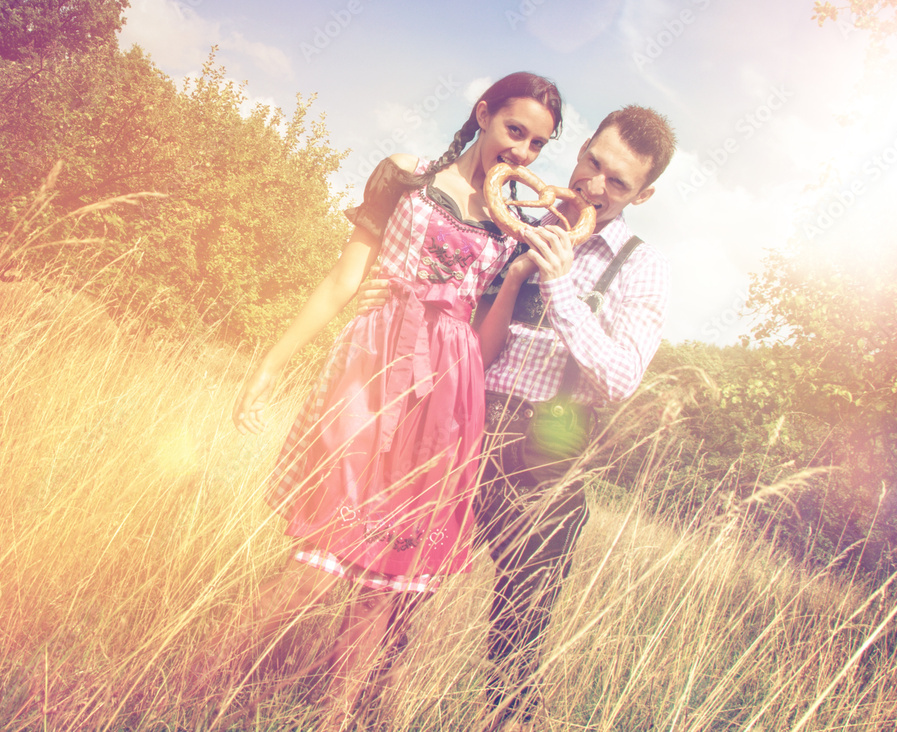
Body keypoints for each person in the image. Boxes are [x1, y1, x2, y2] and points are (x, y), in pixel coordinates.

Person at [231, 72, 563, 730]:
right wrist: (271, 362)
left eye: (537, 145)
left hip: (447, 398)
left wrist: (521, 272)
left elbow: (483, 342)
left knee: (386, 587)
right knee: (317, 563)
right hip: (372, 372)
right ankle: (200, 681)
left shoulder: (516, 232)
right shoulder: (407, 175)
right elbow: (343, 278)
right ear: (484, 113)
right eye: (514, 130)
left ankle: (335, 717)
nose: (521, 152)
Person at [358, 104, 677, 731]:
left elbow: (618, 378)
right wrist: (384, 290)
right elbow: (450, 307)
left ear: (645, 195)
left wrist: (558, 283)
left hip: (550, 453)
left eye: (619, 184)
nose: (594, 187)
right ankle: (369, 714)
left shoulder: (642, 265)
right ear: (582, 148)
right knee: (399, 589)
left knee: (519, 632)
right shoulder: (512, 224)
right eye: (593, 164)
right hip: (462, 426)